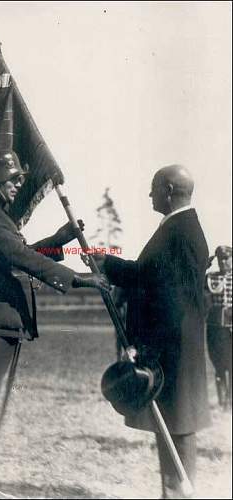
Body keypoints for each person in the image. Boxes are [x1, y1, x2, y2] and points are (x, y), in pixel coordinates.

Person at [0, 149, 109, 499]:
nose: (19, 184)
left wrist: (59, 240)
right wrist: (77, 279)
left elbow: (20, 250)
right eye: (13, 178)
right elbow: (19, 257)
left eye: (19, 178)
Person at [87, 165, 211, 499]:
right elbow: (149, 276)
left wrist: (145, 345)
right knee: (173, 421)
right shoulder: (179, 228)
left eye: (154, 187)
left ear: (169, 190)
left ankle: (178, 493)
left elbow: (167, 297)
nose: (150, 194)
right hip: (174, 345)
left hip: (172, 347)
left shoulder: (180, 231)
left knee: (178, 424)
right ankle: (172, 492)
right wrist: (106, 262)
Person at [205, 245, 232, 410]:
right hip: (216, 328)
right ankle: (222, 401)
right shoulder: (211, 278)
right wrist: (205, 264)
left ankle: (230, 401)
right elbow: (194, 282)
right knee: (218, 362)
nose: (224, 262)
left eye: (227, 258)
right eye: (220, 258)